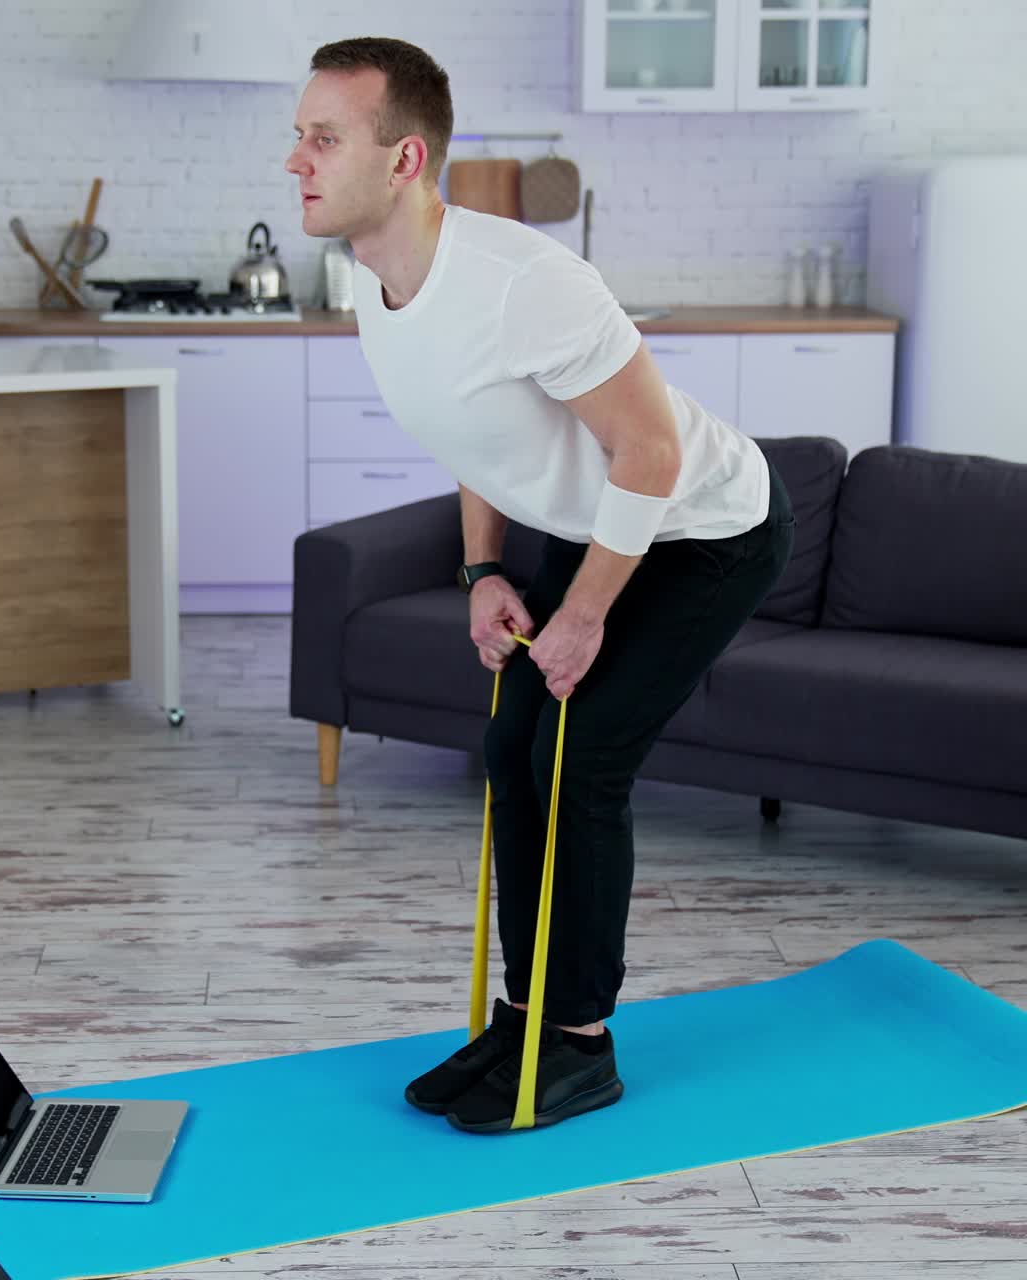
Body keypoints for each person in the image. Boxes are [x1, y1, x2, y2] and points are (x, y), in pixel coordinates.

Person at [287, 37, 794, 1135]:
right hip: (591, 519)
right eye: (299, 135)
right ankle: (524, 1015)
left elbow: (652, 454)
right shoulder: (378, 284)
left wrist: (581, 613)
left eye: (322, 137)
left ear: (403, 157)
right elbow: (474, 433)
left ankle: (578, 1042)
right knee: (510, 755)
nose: (296, 159)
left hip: (700, 529)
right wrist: (480, 570)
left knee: (579, 761)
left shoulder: (525, 284)